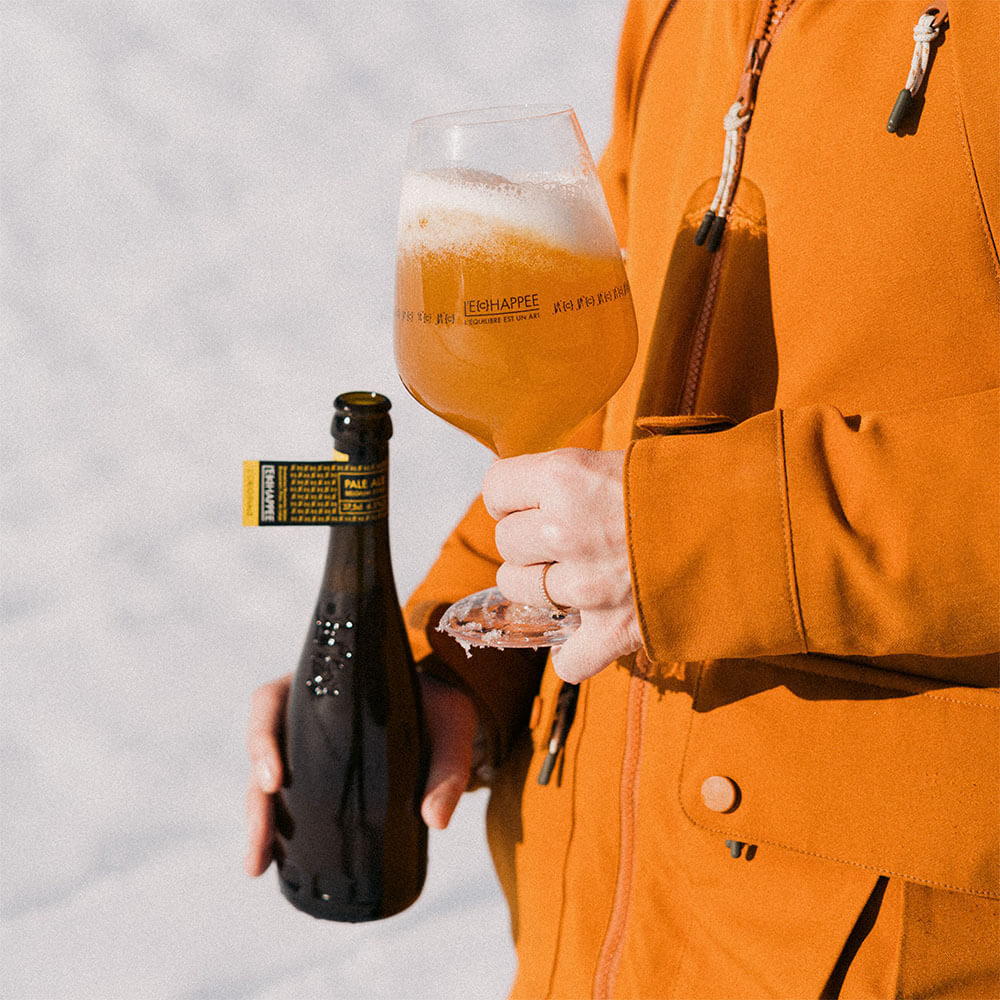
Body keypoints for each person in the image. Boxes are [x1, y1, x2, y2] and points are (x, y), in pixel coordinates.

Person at [246, 1, 999, 995]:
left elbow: (659, 519)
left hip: (893, 943)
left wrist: (696, 542)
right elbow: (597, 380)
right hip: (599, 924)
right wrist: (448, 666)